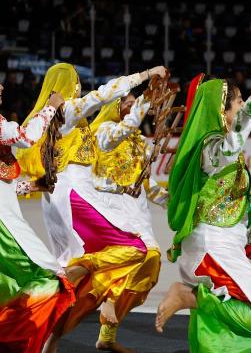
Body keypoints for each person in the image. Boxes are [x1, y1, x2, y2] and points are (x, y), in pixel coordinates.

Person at [16, 62, 167, 353]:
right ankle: (103, 293)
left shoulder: (51, 119)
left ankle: (48, 342)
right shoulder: (68, 112)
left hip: (61, 199)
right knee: (134, 248)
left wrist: (20, 188)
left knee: (72, 279)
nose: (79, 87)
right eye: (76, 82)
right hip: (77, 197)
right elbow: (103, 95)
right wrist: (145, 76)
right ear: (69, 85)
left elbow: (43, 175)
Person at [156, 78, 251, 353]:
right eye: (238, 102)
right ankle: (190, 296)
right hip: (211, 250)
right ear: (222, 110)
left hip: (229, 247)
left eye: (243, 101)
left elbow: (240, 207)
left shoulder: (233, 155)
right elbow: (229, 148)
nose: (242, 106)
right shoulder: (209, 150)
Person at [0, 86, 82, 352]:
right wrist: (51, 104)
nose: (2, 87)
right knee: (50, 279)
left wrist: (32, 187)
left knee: (12, 287)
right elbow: (25, 137)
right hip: (5, 226)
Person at [88, 91, 168, 351]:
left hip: (137, 208)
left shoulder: (140, 141)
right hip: (110, 206)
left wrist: (176, 202)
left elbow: (146, 183)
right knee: (135, 255)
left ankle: (107, 335)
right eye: (128, 102)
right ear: (114, 106)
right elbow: (122, 131)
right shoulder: (104, 132)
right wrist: (145, 100)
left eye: (135, 102)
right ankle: (106, 298)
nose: (133, 106)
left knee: (151, 264)